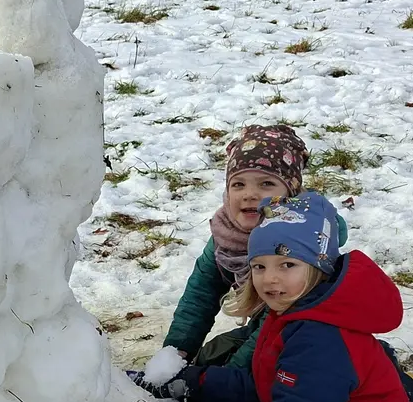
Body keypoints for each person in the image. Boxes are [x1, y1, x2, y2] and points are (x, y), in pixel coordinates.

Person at [150, 192, 413, 402]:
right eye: (259, 266)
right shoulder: (299, 311)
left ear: (319, 266)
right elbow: (266, 383)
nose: (270, 278)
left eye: (287, 264)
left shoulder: (320, 341)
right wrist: (195, 383)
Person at [146, 125, 342, 374]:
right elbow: (201, 295)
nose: (249, 194)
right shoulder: (227, 235)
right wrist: (175, 353)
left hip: (306, 338)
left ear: (290, 193)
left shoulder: (301, 240)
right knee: (212, 355)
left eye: (266, 183)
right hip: (266, 331)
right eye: (238, 184)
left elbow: (275, 322)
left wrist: (229, 378)